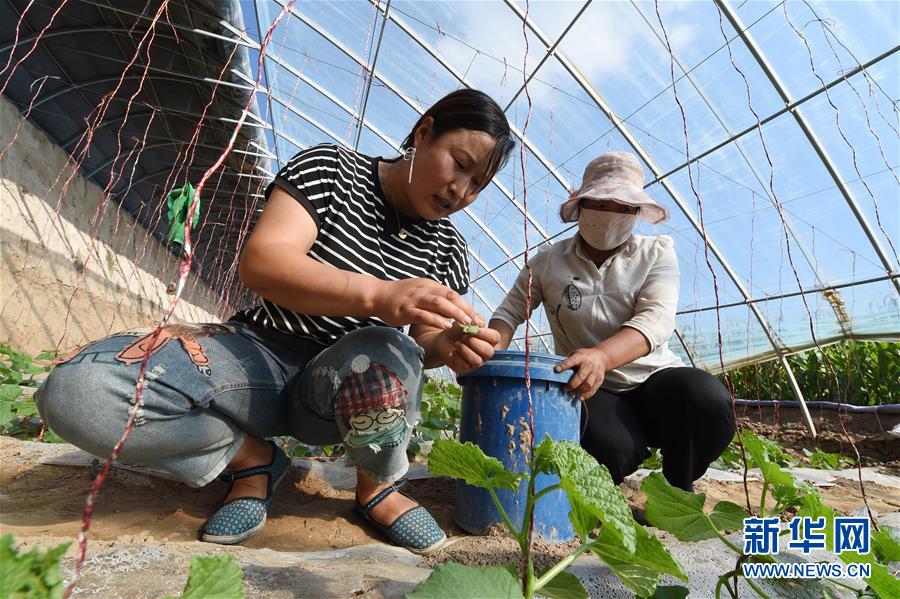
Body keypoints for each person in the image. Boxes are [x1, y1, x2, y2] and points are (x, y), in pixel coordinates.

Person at [35, 89, 510, 554]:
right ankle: (252, 460)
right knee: (78, 394)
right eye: (460, 164)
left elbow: (422, 341)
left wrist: (448, 346)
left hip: (337, 391)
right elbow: (264, 262)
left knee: (390, 346)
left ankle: (376, 488)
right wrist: (380, 293)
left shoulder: (446, 246)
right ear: (425, 132)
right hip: (253, 357)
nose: (460, 190)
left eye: (477, 185)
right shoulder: (333, 171)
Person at [489, 151, 734, 492]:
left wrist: (602, 356)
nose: (611, 215)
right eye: (602, 204)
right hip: (591, 387)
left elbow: (656, 319)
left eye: (624, 207)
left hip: (654, 380)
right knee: (609, 451)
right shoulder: (547, 262)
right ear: (581, 205)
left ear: (636, 213)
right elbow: (509, 313)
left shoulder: (656, 252)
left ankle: (677, 488)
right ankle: (617, 465)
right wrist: (488, 350)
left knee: (705, 400)